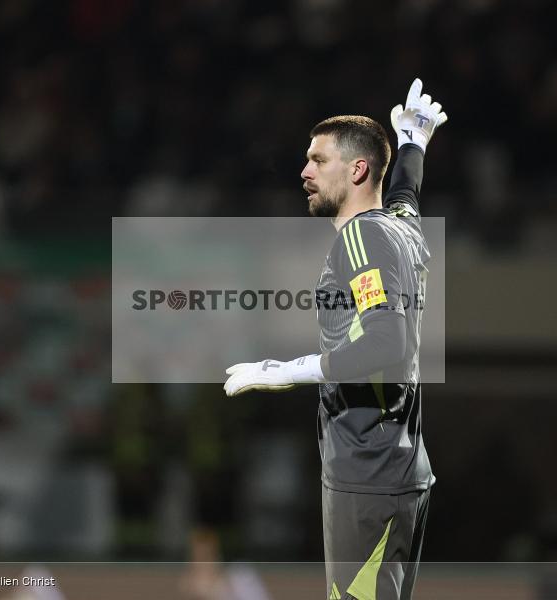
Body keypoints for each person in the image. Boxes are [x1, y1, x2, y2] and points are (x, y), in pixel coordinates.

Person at [223, 79, 447, 600]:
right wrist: (413, 142)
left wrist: (284, 371)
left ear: (357, 169)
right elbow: (406, 193)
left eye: (318, 161)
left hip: (367, 474)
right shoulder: (400, 228)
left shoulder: (362, 237)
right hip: (398, 466)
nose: (304, 172)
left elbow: (385, 345)